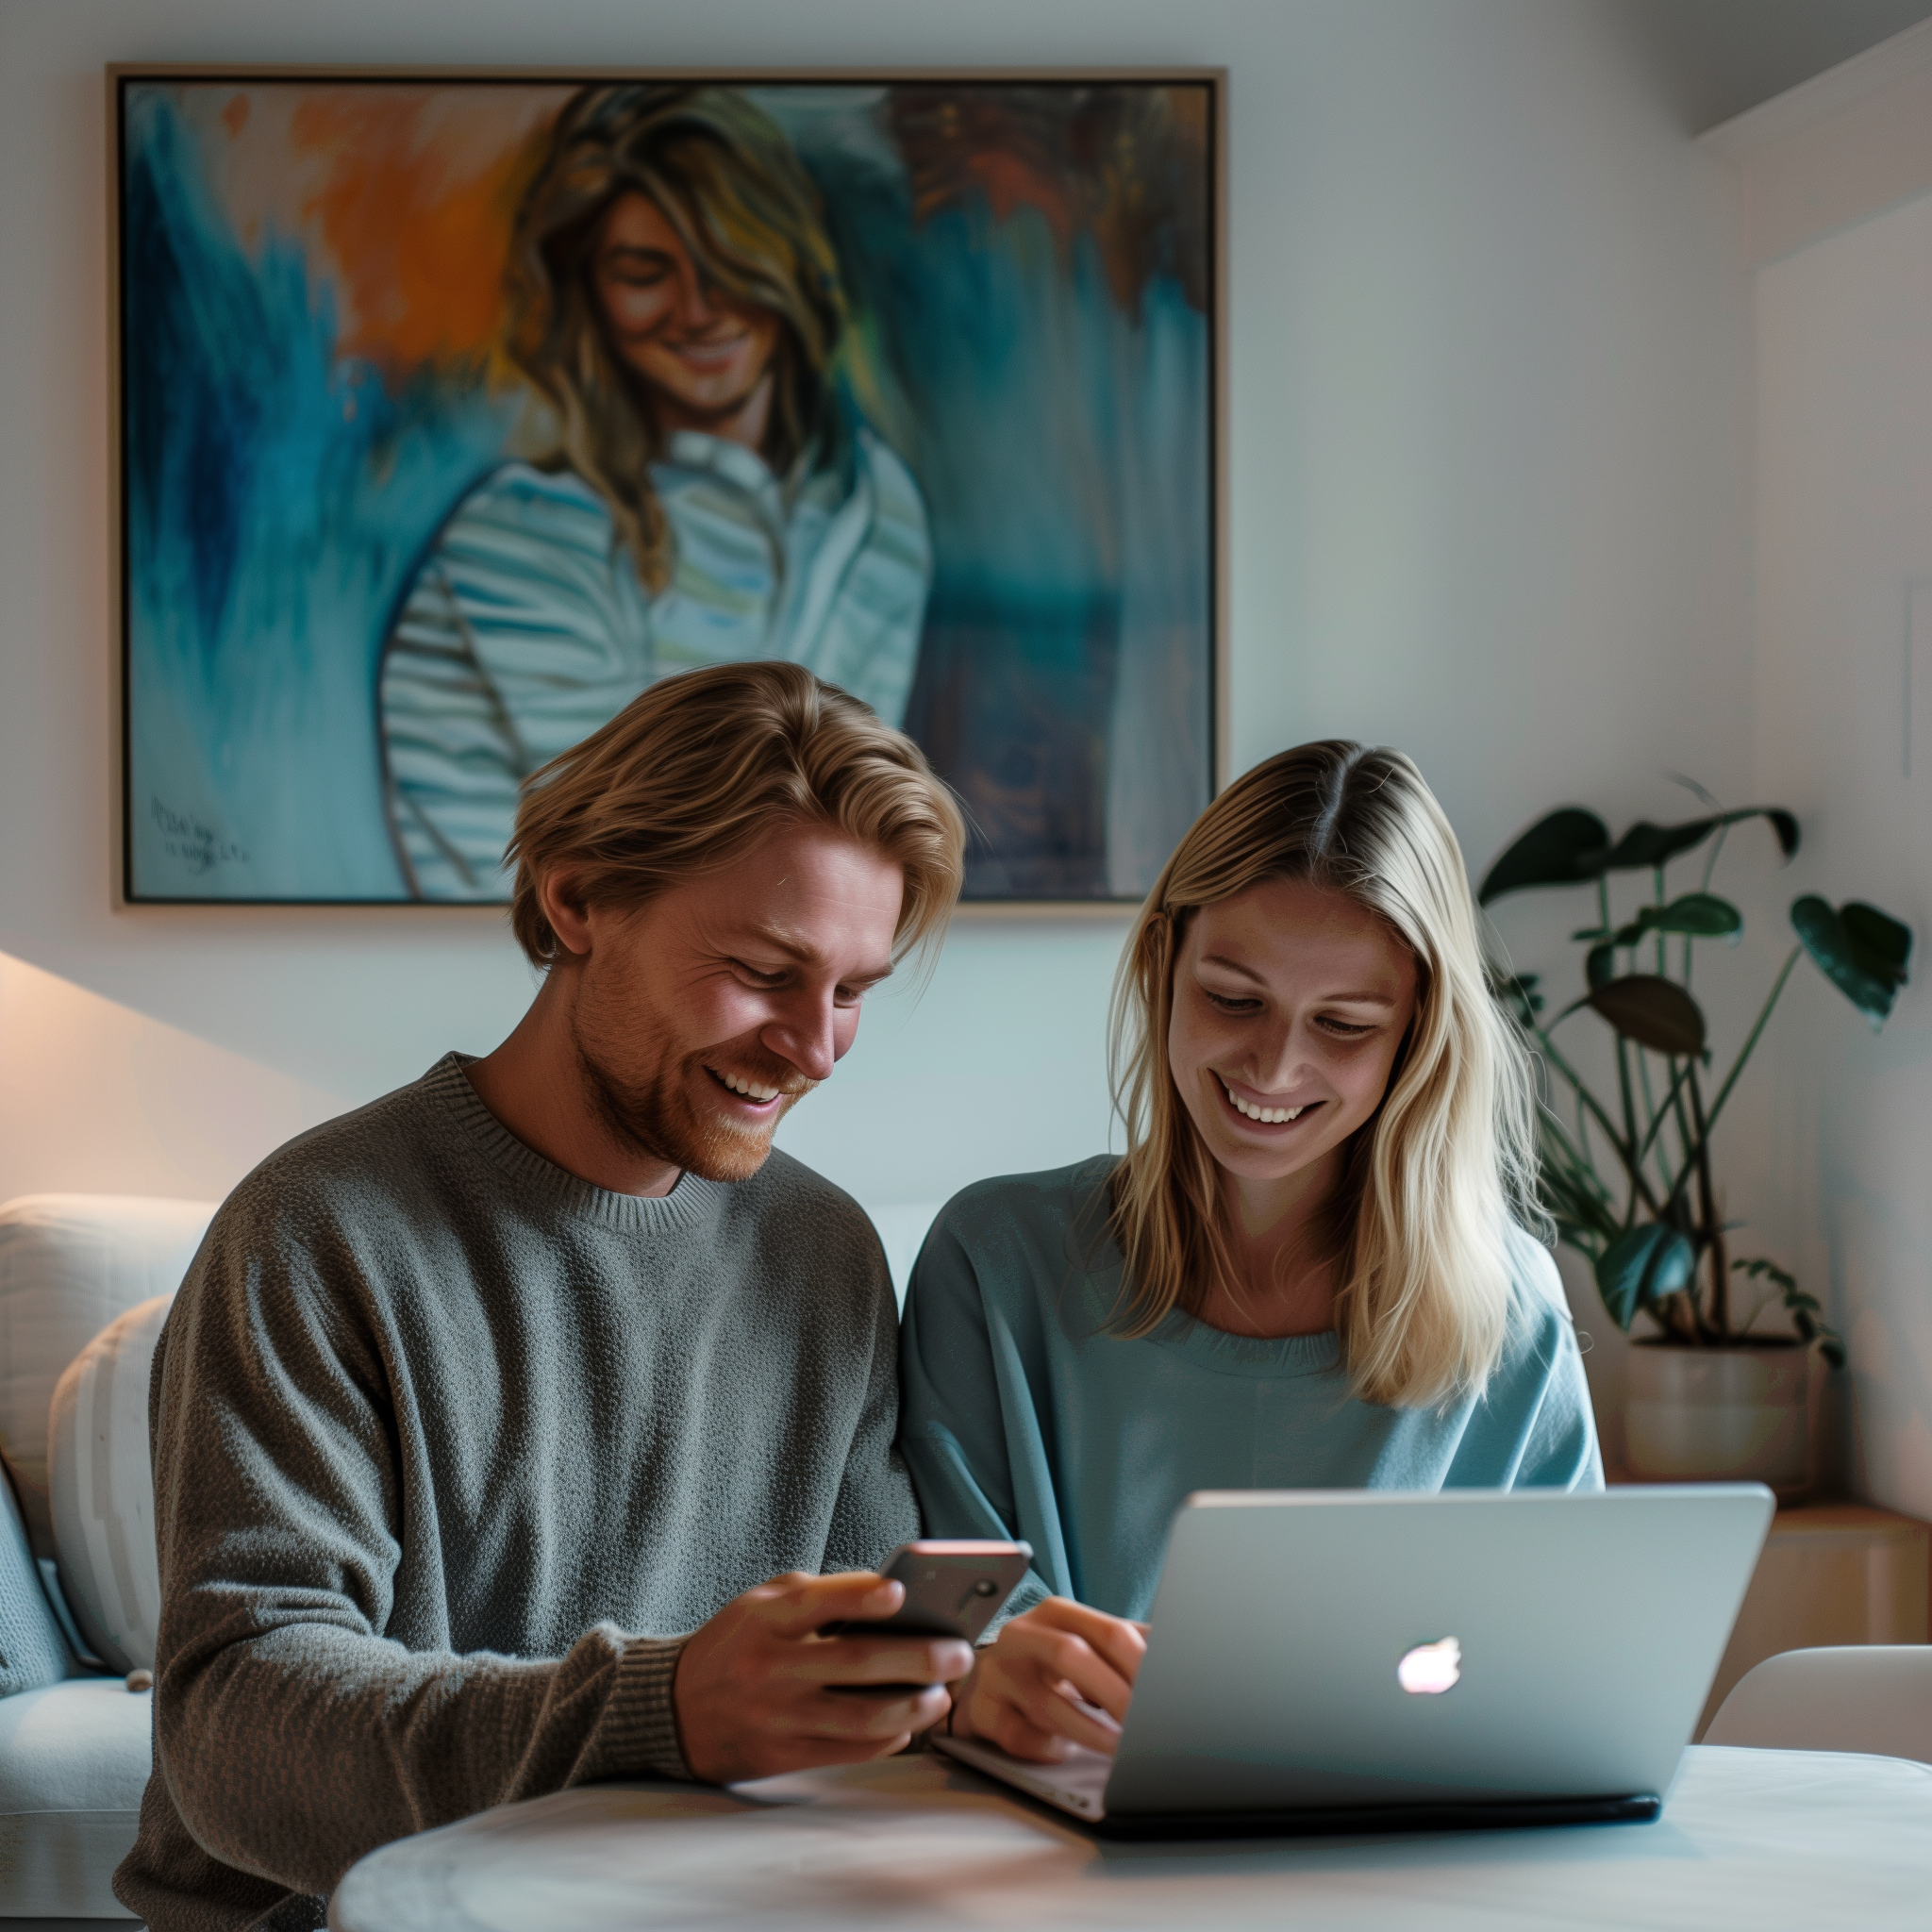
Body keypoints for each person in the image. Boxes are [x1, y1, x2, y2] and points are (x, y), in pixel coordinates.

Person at [117, 663, 971, 1931]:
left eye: (851, 992)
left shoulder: (824, 1252)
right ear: (577, 900)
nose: (815, 1049)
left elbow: (861, 1685)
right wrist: (657, 1712)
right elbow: (236, 1725)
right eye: (761, 970)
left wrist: (975, 1694)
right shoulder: (314, 1231)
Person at [898, 741, 1603, 1764]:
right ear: (1163, 965)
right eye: (1233, 999)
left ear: (1416, 1037)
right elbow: (952, 1633)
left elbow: (1558, 1673)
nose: (1275, 1067)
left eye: (1344, 1024)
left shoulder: (1508, 1309)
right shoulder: (995, 1262)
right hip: (1054, 1823)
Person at [379, 84, 931, 900]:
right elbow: (612, 875)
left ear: (788, 260)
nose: (698, 310)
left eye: (730, 261)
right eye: (644, 272)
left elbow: (852, 823)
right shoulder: (524, 535)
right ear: (586, 295)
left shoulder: (882, 513)